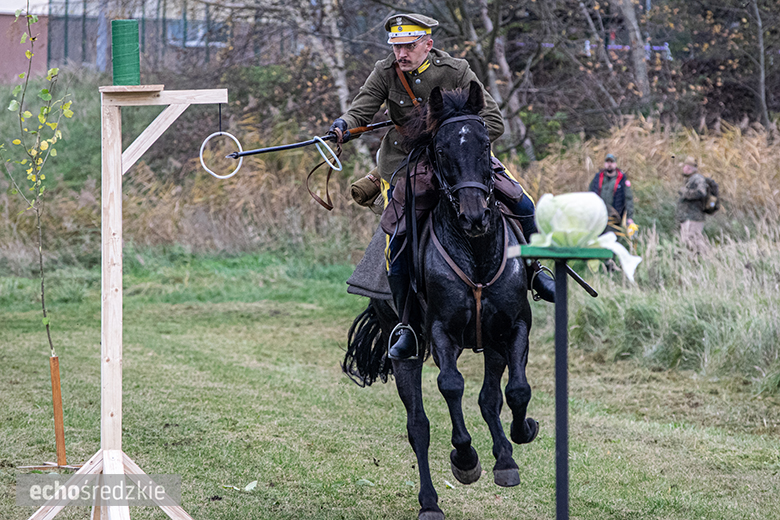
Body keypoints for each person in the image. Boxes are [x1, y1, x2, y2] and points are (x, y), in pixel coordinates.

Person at [329, 13, 554, 360]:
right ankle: (405, 324)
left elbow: (493, 122)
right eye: (396, 47)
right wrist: (344, 124)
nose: (400, 54)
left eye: (408, 47)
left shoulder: (456, 70)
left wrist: (456, 143)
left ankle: (537, 271)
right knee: (398, 236)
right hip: (406, 165)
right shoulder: (385, 71)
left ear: (427, 45)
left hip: (463, 161)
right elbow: (361, 110)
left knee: (523, 204)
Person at [588, 153, 636, 237]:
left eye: (611, 162)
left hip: (614, 218)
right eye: (607, 162)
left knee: (611, 240)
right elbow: (590, 195)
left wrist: (629, 218)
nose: (609, 164)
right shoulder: (597, 178)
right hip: (598, 216)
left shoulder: (622, 180)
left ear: (615, 164)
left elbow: (628, 200)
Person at [676, 156, 709, 253]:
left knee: (695, 241)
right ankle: (695, 262)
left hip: (694, 217)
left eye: (684, 166)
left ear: (689, 168)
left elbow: (702, 192)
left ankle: (706, 259)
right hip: (688, 217)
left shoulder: (698, 178)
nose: (683, 168)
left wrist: (686, 193)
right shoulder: (691, 179)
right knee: (688, 242)